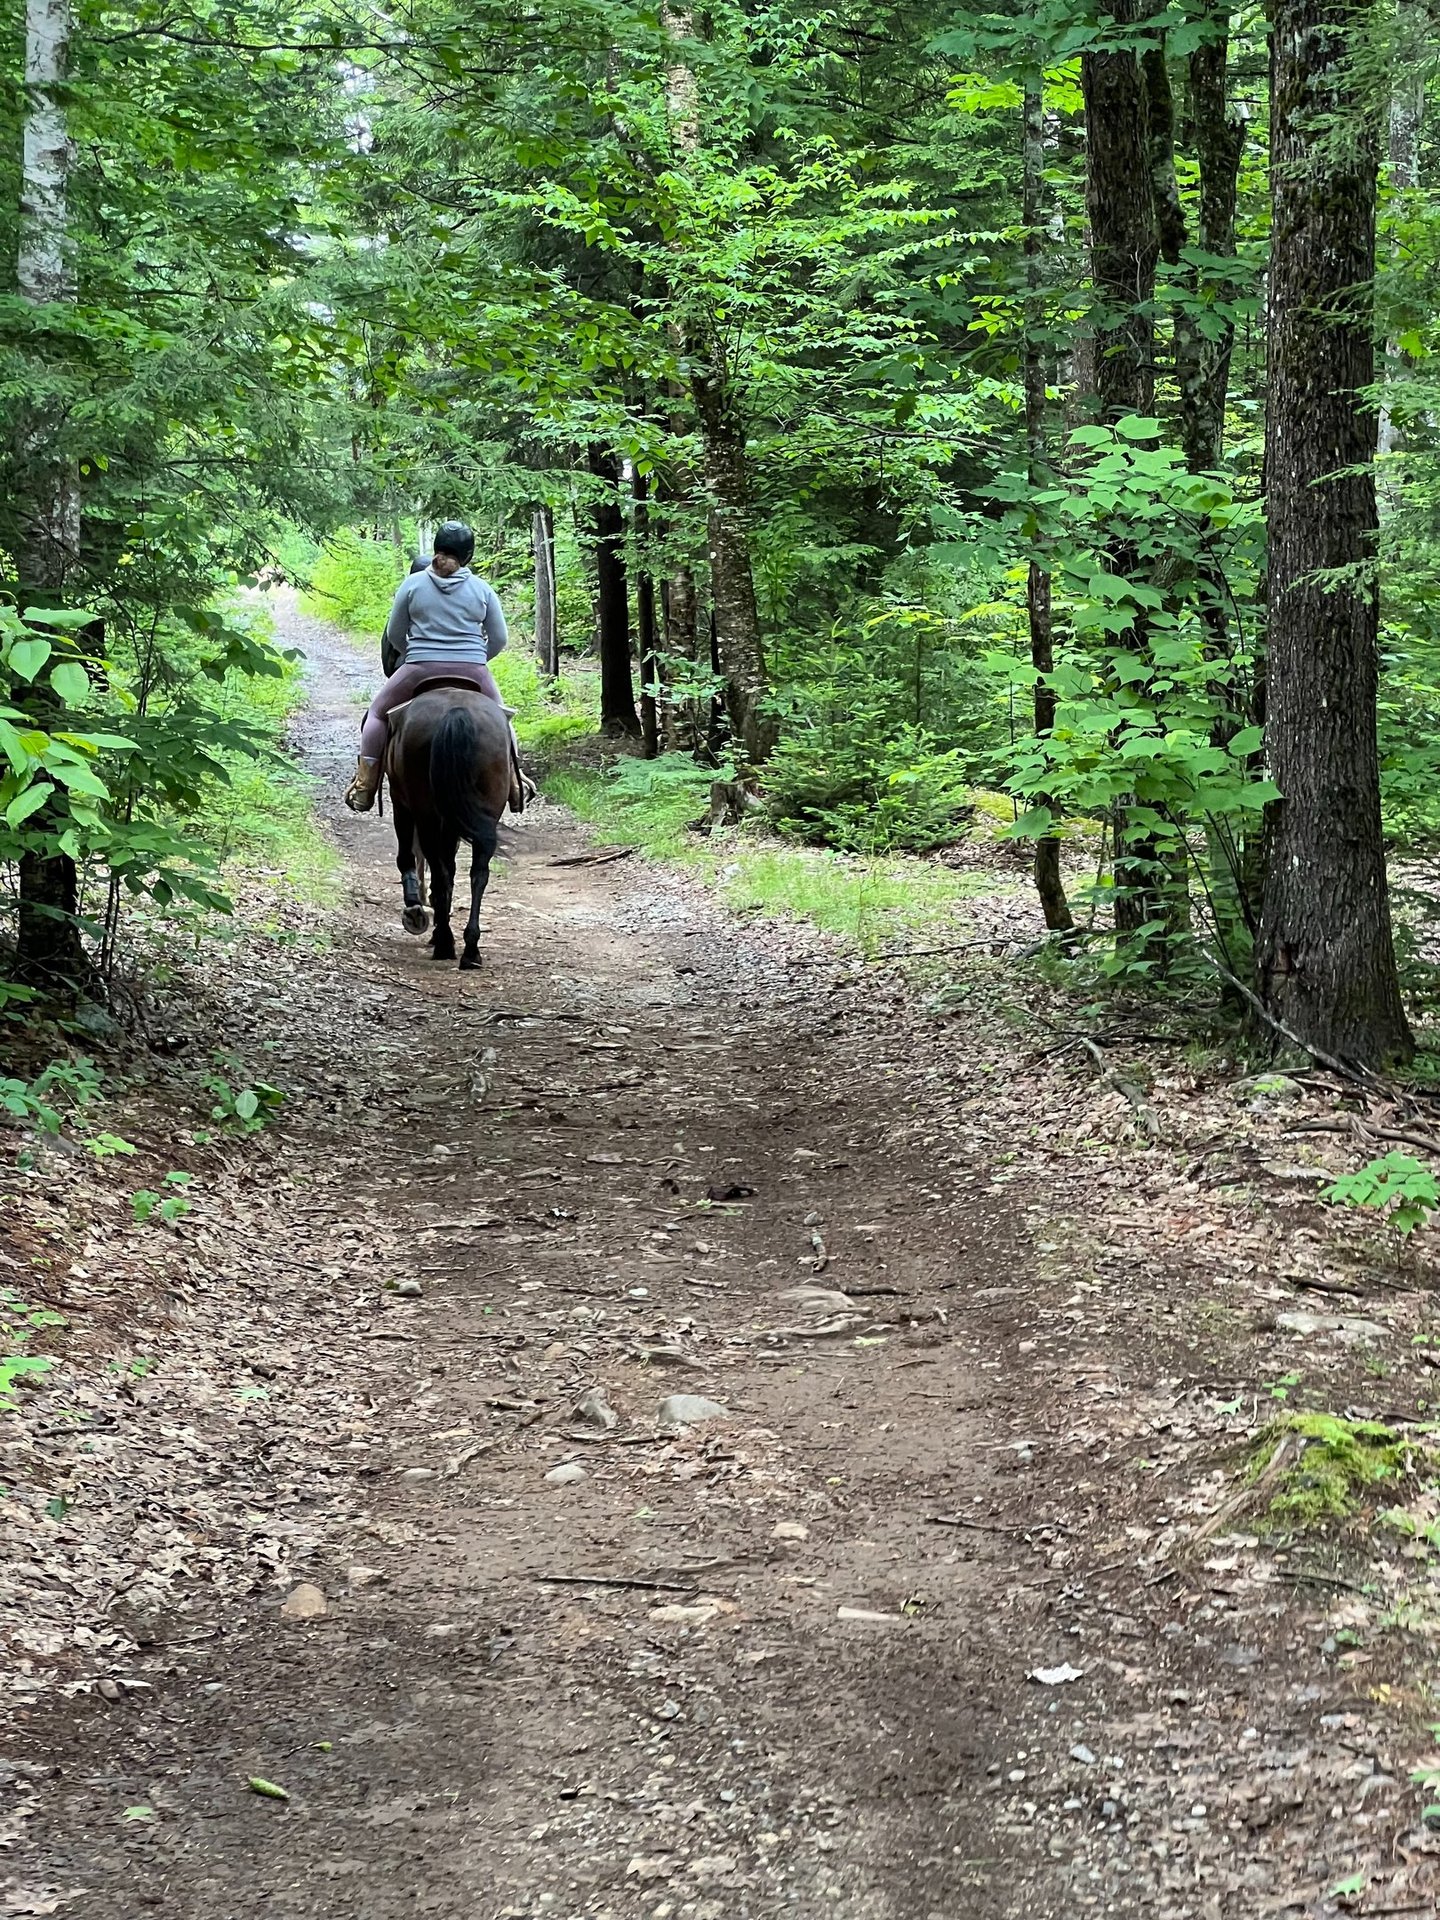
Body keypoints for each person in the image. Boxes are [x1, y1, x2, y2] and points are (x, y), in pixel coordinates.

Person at [345, 521, 513, 813]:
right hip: (472, 670)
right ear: (468, 555)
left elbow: (395, 633)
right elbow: (499, 638)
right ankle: (513, 781)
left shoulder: (412, 584)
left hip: (421, 667)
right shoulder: (482, 589)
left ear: (436, 548)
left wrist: (417, 653)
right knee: (502, 719)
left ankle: (366, 785)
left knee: (376, 713)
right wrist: (475, 659)